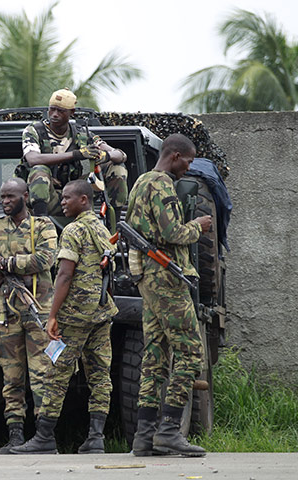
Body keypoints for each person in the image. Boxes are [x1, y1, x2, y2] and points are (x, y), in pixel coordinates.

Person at [10, 180, 118, 455]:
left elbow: (65, 274)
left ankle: (44, 437)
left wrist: (53, 316)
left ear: (84, 199)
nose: (63, 202)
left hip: (75, 316)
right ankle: (96, 438)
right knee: (100, 374)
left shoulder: (73, 230)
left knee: (55, 373)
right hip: (101, 312)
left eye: (68, 198)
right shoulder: (102, 228)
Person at [126, 133, 211, 457]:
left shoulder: (139, 182)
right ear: (175, 156)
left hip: (148, 279)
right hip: (166, 277)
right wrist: (198, 226)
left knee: (155, 358)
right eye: (188, 161)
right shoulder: (161, 184)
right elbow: (171, 233)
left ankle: (144, 437)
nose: (189, 168)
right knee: (190, 353)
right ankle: (169, 431)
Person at [0, 178, 58, 454]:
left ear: (26, 196)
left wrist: (4, 263)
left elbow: (45, 259)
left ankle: (45, 437)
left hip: (38, 310)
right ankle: (16, 437)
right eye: (2, 197)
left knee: (43, 373)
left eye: (10, 196)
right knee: (12, 377)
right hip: (6, 312)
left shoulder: (43, 226)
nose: (5, 201)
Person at [20, 88, 128, 216]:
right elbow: (33, 159)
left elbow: (121, 155)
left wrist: (106, 156)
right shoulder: (34, 130)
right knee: (39, 170)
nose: (54, 114)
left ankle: (113, 223)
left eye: (60, 111)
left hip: (76, 199)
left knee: (117, 168)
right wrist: (77, 154)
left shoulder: (81, 133)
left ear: (71, 112)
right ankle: (41, 224)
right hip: (47, 198)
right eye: (52, 109)